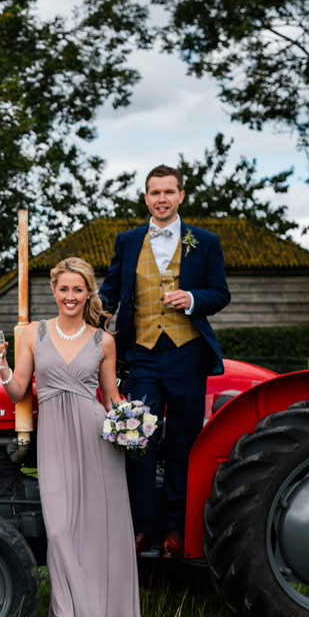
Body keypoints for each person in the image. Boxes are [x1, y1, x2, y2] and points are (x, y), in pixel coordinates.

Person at [0, 258, 141, 617]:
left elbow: (110, 398)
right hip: (54, 440)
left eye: (78, 290)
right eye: (63, 289)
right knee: (59, 534)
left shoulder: (102, 341)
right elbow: (19, 389)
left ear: (88, 293)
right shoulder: (34, 334)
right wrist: (1, 364)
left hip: (96, 440)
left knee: (93, 536)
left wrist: (135, 423)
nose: (70, 297)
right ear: (53, 291)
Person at [99, 165, 230, 558]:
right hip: (140, 356)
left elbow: (219, 293)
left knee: (184, 444)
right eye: (154, 193)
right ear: (145, 198)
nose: (161, 199)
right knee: (140, 441)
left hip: (187, 353)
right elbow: (108, 294)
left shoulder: (204, 242)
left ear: (181, 196)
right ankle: (142, 528)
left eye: (168, 192)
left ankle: (177, 529)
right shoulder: (127, 241)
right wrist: (80, 325)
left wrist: (191, 299)